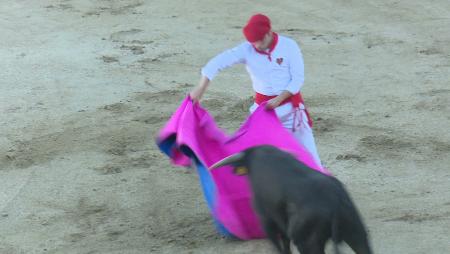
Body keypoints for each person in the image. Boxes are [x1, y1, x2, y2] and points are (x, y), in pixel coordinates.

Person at [189, 13, 323, 167]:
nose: (256, 46)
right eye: (253, 42)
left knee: (312, 160)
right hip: (263, 114)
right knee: (248, 160)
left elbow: (298, 79)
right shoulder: (247, 49)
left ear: (269, 33)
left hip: (292, 114)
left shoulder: (289, 46)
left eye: (259, 41)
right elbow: (218, 62)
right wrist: (201, 87)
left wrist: (279, 99)